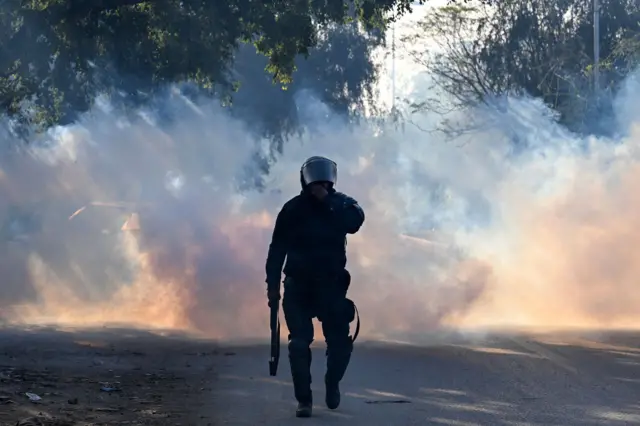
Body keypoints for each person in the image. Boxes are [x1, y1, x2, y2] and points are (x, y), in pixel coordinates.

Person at [265, 156, 365, 418]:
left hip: (331, 286)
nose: (319, 187)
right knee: (298, 344)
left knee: (340, 343)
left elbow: (355, 221)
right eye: (315, 183)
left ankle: (332, 383)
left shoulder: (341, 205)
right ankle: (304, 400)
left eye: (324, 182)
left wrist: (329, 202)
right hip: (298, 286)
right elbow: (277, 250)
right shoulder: (292, 210)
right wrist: (272, 286)